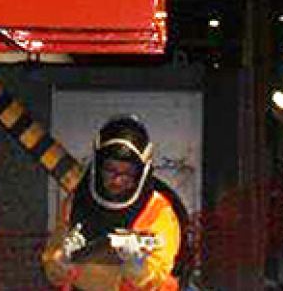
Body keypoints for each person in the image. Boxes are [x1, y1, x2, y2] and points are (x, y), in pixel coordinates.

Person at [41, 116, 191, 291]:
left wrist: (137, 265)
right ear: (97, 166)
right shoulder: (76, 203)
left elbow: (158, 276)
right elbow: (52, 267)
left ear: (141, 172)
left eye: (127, 173)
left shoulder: (158, 211)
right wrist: (62, 261)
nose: (118, 181)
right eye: (110, 170)